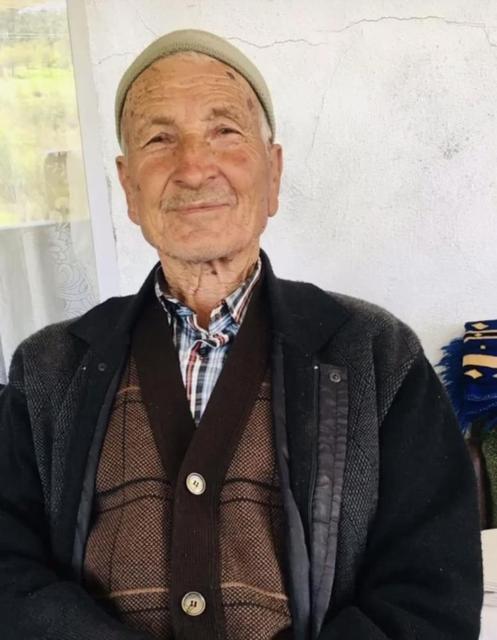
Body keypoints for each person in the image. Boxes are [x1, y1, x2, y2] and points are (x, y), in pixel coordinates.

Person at [0, 28, 483, 640]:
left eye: (225, 131)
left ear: (272, 173)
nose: (193, 167)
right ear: (128, 187)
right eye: (159, 139)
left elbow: (430, 596)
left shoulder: (376, 355)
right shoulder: (49, 369)